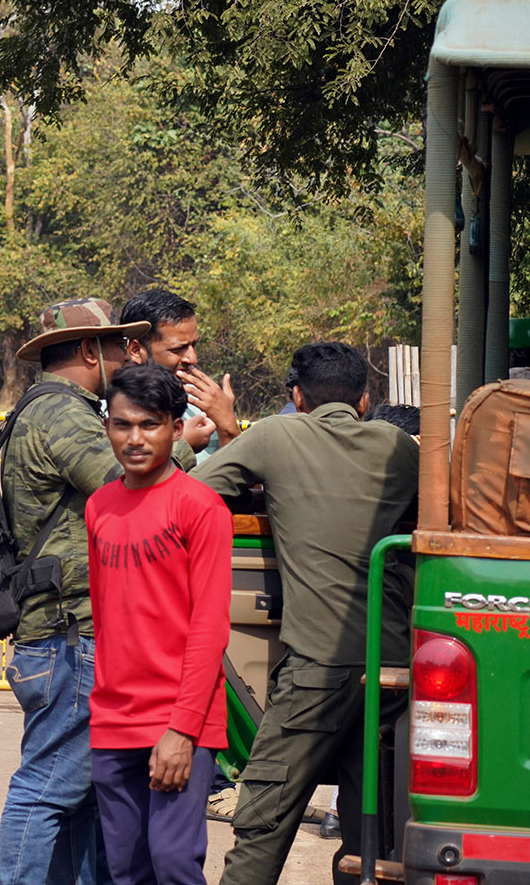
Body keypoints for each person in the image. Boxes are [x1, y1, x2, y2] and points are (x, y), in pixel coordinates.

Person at [192, 341, 418, 885]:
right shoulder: (400, 448)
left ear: (297, 396)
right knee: (374, 841)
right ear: (365, 399)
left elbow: (193, 494)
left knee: (261, 827)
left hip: (315, 670)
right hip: (393, 670)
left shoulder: (275, 435)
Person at [0, 297, 137, 885]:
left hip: (62, 634)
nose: (122, 359)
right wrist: (189, 439)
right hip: (68, 635)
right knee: (47, 787)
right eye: (114, 348)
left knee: (81, 796)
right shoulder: (63, 415)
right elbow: (130, 474)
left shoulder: (46, 408)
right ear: (88, 352)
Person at [87, 363, 231, 885]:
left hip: (179, 720)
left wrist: (182, 729)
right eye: (122, 424)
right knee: (126, 871)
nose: (135, 438)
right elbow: (107, 617)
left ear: (176, 426)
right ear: (107, 427)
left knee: (173, 864)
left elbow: (210, 628)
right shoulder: (99, 506)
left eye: (150, 424)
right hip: (113, 719)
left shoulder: (201, 508)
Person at [118, 288, 241, 451]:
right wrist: (180, 446)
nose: (192, 359)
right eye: (178, 349)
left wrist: (227, 423)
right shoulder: (113, 412)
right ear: (135, 350)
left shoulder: (199, 402)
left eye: (194, 345)